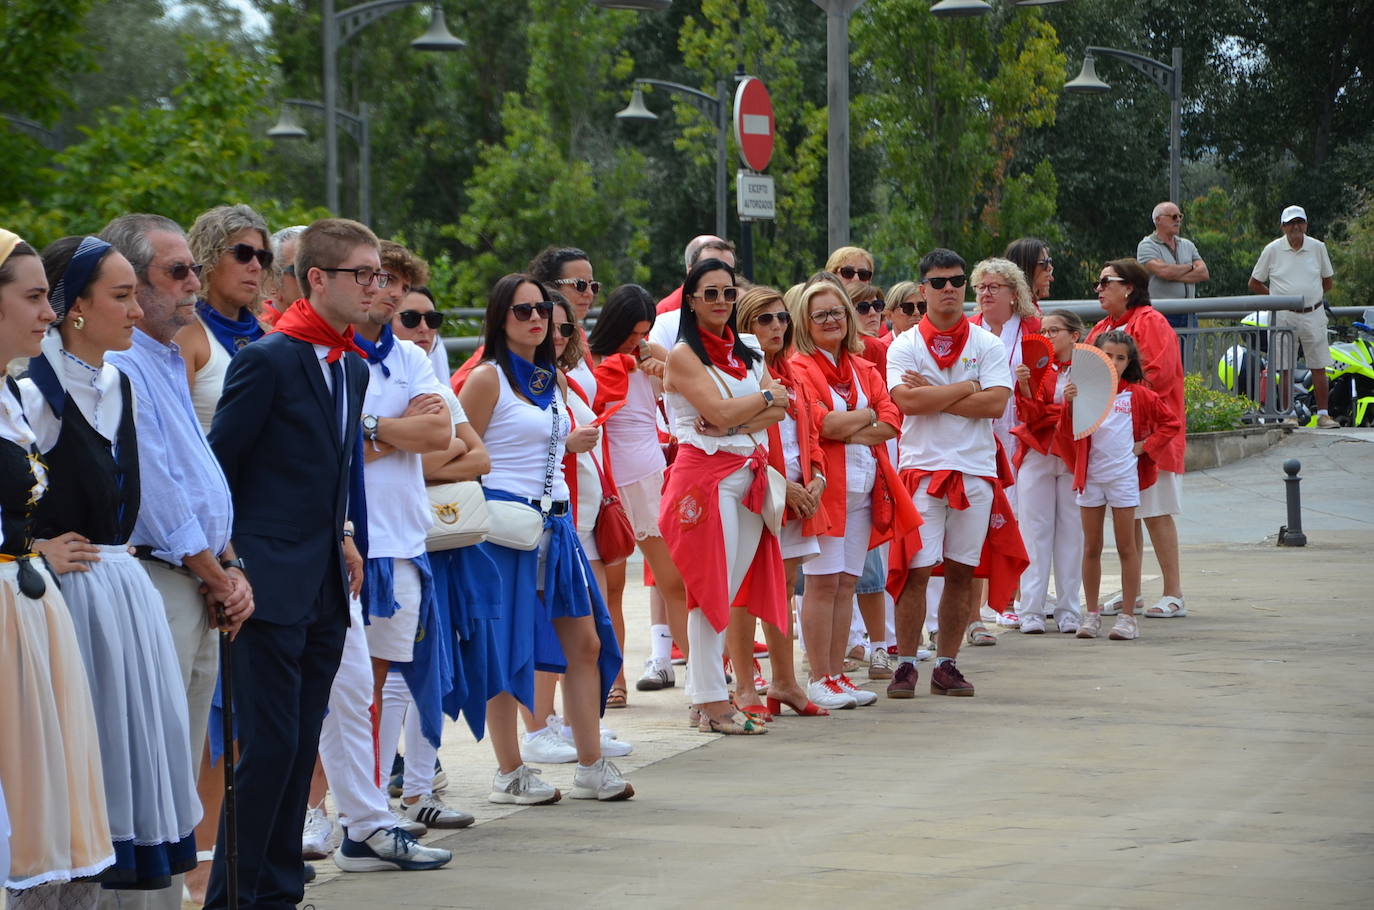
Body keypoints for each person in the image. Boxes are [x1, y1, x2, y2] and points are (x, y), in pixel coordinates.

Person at [22, 236, 203, 904]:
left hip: (123, 596)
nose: (136, 310)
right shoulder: (34, 391)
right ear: (76, 309)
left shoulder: (117, 382)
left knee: (130, 764)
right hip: (68, 601)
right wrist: (33, 551)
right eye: (121, 296)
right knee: (78, 776)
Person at [202, 218, 376, 909]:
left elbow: (329, 473)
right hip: (266, 584)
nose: (375, 287)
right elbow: (221, 468)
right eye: (360, 274)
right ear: (316, 280)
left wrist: (342, 534)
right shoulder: (268, 358)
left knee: (302, 747)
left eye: (379, 275)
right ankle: (233, 897)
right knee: (269, 746)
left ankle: (277, 892)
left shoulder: (353, 365)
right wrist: (231, 561)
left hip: (326, 587)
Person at [101, 212, 253, 909]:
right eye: (178, 271)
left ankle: (168, 899)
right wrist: (218, 573)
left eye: (194, 268)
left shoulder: (166, 355)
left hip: (196, 578)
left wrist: (227, 564)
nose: (194, 282)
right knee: (149, 768)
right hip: (161, 579)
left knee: (182, 763)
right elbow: (158, 491)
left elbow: (197, 476)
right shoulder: (123, 364)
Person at [458, 273, 630, 803]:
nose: (536, 320)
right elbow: (459, 455)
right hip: (504, 534)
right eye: (522, 311)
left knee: (587, 643)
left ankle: (590, 765)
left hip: (556, 527)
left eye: (543, 313)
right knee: (507, 653)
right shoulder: (487, 378)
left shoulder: (548, 378)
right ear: (499, 318)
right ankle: (509, 772)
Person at [0, 228, 114, 910]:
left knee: (41, 794)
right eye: (36, 297)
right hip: (9, 612)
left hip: (27, 613)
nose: (49, 312)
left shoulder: (9, 397)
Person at [352, 242, 469, 835]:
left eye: (401, 285)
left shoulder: (410, 357)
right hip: (349, 541)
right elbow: (332, 441)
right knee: (349, 690)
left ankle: (388, 804)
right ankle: (349, 812)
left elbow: (447, 435)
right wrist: (399, 433)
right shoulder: (333, 352)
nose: (395, 296)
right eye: (380, 281)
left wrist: (370, 431)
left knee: (402, 674)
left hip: (406, 541)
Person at [885, 248, 1024, 700]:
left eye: (958, 281)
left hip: (975, 470)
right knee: (917, 570)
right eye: (940, 282)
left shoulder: (987, 343)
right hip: (922, 470)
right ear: (922, 289)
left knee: (963, 571)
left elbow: (997, 404)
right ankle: (906, 664)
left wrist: (938, 393)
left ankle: (947, 664)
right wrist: (968, 387)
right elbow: (906, 403)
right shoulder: (904, 343)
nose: (950, 289)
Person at [660, 257, 789, 734]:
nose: (720, 301)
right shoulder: (682, 354)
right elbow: (716, 409)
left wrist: (735, 417)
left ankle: (704, 695)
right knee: (709, 590)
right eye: (709, 293)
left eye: (727, 293)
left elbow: (778, 408)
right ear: (691, 301)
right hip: (705, 478)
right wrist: (758, 403)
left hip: (748, 474)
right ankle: (713, 700)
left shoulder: (750, 347)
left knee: (727, 590)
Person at [789, 281, 911, 710]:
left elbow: (892, 419)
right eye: (820, 314)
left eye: (837, 311)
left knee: (846, 584)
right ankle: (819, 676)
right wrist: (865, 417)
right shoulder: (800, 366)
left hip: (864, 489)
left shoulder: (864, 367)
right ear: (805, 322)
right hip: (827, 491)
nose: (831, 320)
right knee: (822, 584)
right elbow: (820, 425)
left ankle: (837, 674)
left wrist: (851, 423)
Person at [587, 285, 690, 703]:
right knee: (610, 586)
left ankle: (702, 676)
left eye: (645, 332)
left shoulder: (651, 358)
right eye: (632, 332)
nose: (638, 340)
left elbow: (688, 380)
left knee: (674, 581)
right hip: (606, 480)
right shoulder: (593, 362)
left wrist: (657, 361)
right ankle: (614, 679)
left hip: (647, 475)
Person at [733, 286, 831, 718]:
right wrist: (780, 484)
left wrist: (817, 478)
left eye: (781, 318)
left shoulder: (794, 371)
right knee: (742, 591)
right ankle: (743, 687)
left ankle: (785, 682)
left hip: (794, 494)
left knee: (784, 588)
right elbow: (735, 440)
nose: (777, 326)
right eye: (764, 320)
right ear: (746, 328)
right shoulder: (741, 374)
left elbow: (810, 435)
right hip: (754, 493)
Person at [1085, 259, 1187, 619]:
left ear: (1128, 287)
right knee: (1129, 516)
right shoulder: (1101, 327)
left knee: (1156, 511)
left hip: (1148, 437)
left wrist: (1113, 390)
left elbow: (1156, 375)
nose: (1098, 289)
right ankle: (1135, 592)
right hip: (1113, 443)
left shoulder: (1152, 322)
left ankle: (1173, 591)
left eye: (1105, 282)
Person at [1072, 331, 1181, 641]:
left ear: (1129, 362)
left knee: (1126, 547)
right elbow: (1066, 431)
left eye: (1121, 358)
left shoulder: (1137, 395)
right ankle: (1091, 614)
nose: (1114, 363)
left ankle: (1128, 616)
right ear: (1096, 357)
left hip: (1123, 478)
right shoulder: (1084, 393)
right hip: (1091, 478)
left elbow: (1170, 422)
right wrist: (1068, 404)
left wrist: (1145, 446)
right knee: (1091, 547)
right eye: (1108, 356)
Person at [967, 257, 1040, 630]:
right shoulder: (967, 331)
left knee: (1016, 521)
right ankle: (980, 607)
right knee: (978, 523)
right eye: (980, 287)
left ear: (1014, 295)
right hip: (978, 438)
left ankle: (1013, 598)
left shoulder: (1031, 330)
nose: (985, 294)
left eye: (994, 287)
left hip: (1020, 439)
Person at [1010, 309, 1084, 635]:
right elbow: (1029, 414)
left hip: (1072, 454)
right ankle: (1031, 610)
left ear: (1074, 335)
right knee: (1033, 534)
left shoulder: (1089, 368)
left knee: (1072, 534)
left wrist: (1055, 410)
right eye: (1045, 330)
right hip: (1038, 452)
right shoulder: (1037, 368)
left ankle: (1069, 610)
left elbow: (1095, 412)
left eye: (1055, 331)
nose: (1048, 336)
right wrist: (1025, 387)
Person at [179, 205, 274, 429]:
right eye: (243, 254)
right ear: (209, 257)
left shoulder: (269, 334)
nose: (256, 266)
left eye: (262, 257)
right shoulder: (184, 333)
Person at [1248, 205, 1338, 429]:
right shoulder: (1272, 249)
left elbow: (1328, 281)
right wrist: (1277, 300)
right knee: (1284, 366)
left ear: (1306, 225)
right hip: (1284, 315)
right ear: (1283, 227)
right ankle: (1289, 415)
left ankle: (1324, 415)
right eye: (1290, 223)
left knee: (1319, 365)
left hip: (1313, 313)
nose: (1295, 226)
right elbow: (1254, 282)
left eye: (1299, 222)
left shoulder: (1318, 247)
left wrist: (1311, 298)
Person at [650, 235, 737, 351]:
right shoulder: (666, 317)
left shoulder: (743, 311)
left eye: (729, 269)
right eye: (711, 267)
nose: (721, 301)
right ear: (691, 272)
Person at [1137, 202, 1208, 328]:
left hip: (1189, 314)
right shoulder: (1146, 245)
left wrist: (1171, 275)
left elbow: (1204, 273)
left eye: (1180, 216)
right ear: (1158, 220)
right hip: (1161, 314)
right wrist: (1190, 267)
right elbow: (1164, 272)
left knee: (1188, 349)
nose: (1178, 220)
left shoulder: (1187, 244)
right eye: (1174, 217)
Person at [262, 224, 307, 325]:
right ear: (273, 283)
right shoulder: (259, 335)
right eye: (302, 269)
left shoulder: (344, 326)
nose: (317, 278)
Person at [1004, 237, 1054, 311]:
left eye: (1049, 261)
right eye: (1043, 263)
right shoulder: (1007, 315)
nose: (1049, 267)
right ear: (1024, 268)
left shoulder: (1032, 309)